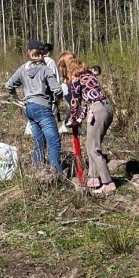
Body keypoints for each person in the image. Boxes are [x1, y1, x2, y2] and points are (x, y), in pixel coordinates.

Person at [58, 52, 115, 193]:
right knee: (91, 144)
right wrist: (79, 118)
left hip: (97, 110)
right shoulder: (88, 74)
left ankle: (108, 183)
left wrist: (72, 118)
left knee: (92, 148)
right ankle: (93, 178)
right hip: (105, 107)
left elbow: (75, 101)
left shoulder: (77, 78)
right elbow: (88, 101)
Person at [6, 41, 63, 174]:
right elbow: (57, 90)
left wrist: (17, 99)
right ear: (42, 53)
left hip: (29, 108)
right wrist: (58, 100)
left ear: (29, 53)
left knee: (38, 142)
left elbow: (9, 85)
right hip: (43, 107)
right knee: (54, 142)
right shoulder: (45, 69)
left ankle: (39, 171)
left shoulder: (22, 69)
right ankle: (57, 175)